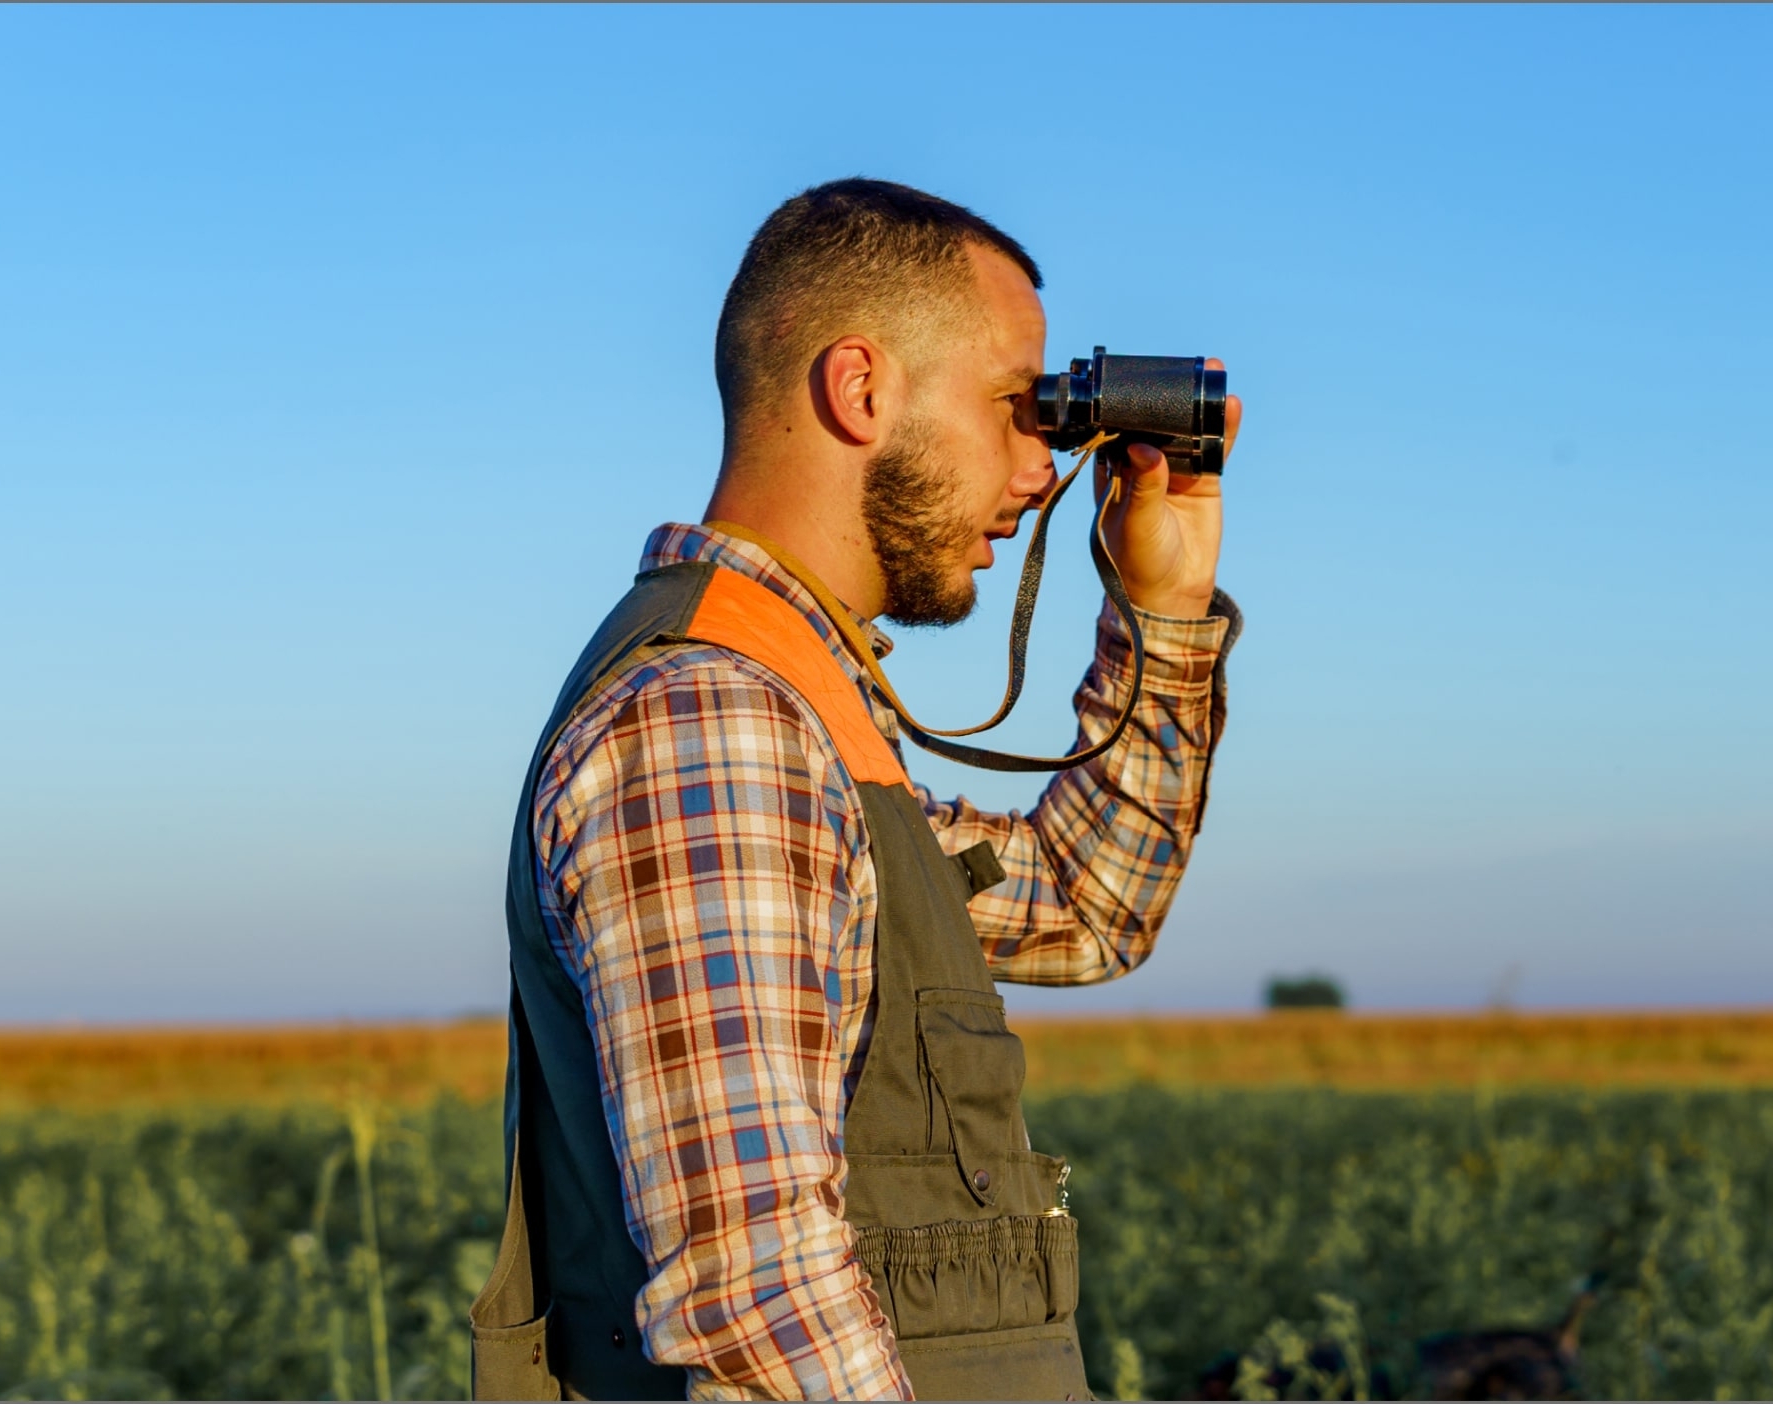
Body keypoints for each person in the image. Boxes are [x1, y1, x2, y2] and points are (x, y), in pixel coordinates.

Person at [470, 178, 1241, 1401]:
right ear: (861, 389)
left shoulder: (799, 715)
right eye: (1014, 407)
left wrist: (1163, 606)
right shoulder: (711, 723)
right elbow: (755, 1295)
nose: (1043, 468)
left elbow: (1089, 904)